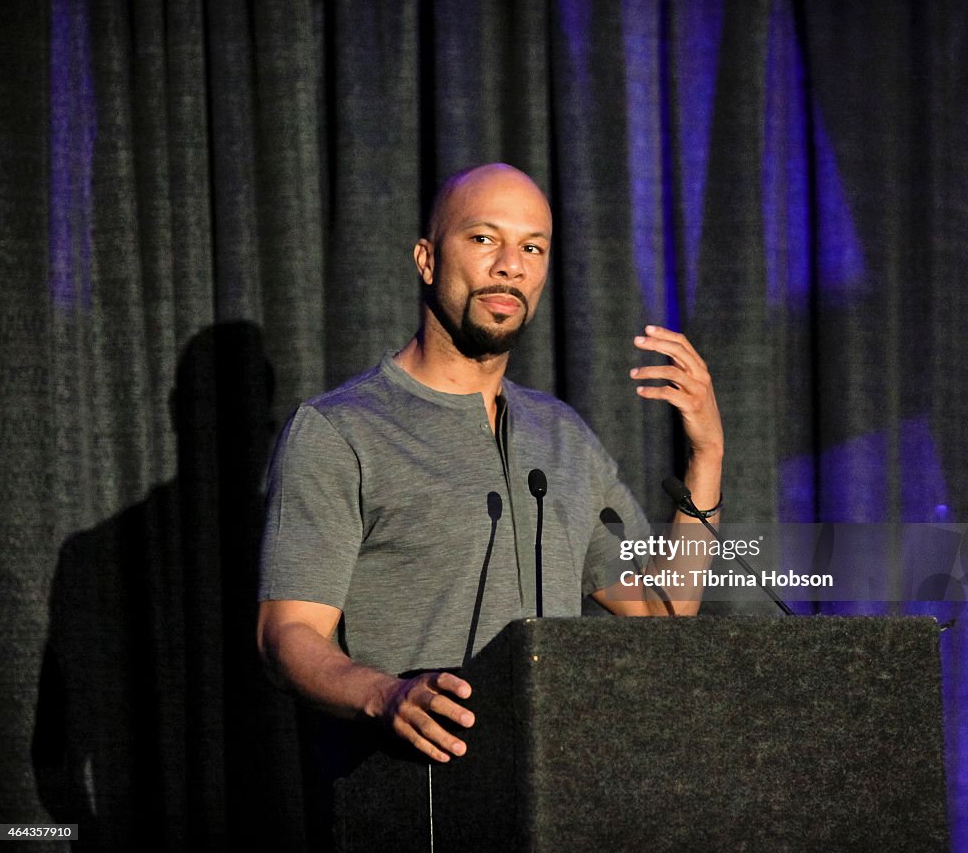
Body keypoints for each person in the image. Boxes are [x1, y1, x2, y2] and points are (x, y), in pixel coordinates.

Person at [256, 163, 723, 766]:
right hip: (414, 790)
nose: (512, 264)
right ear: (426, 260)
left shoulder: (562, 437)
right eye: (484, 239)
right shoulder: (341, 431)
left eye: (533, 246)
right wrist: (385, 694)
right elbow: (286, 635)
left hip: (552, 789)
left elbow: (665, 614)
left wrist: (706, 455)